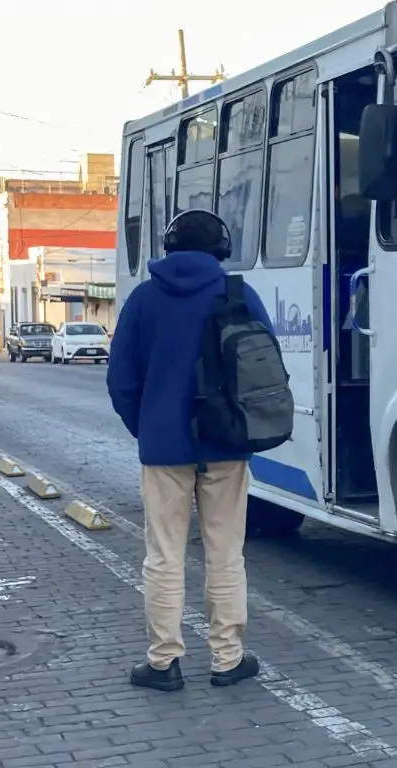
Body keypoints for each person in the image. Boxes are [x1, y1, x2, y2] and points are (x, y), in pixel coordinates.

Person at [106, 209, 274, 692]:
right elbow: (264, 371)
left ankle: (163, 663)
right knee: (225, 553)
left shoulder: (143, 299)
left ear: (169, 245)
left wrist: (148, 428)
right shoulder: (239, 295)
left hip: (164, 450)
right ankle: (227, 659)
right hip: (226, 445)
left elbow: (121, 381)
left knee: (163, 555)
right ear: (220, 248)